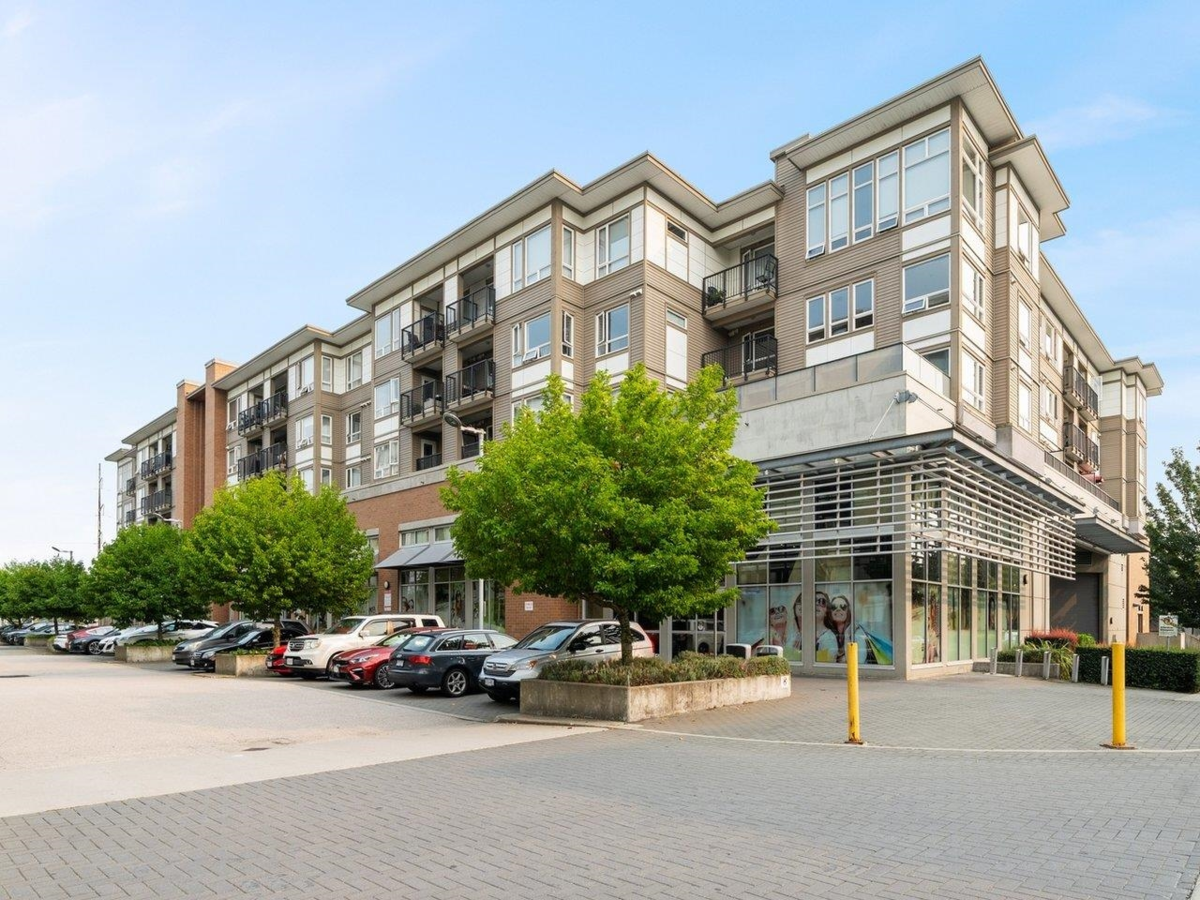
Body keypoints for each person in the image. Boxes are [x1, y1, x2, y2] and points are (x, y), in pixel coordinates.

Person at [815, 594, 851, 663]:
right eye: (834, 607)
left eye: (843, 607)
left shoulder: (854, 632)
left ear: (848, 612)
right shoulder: (831, 633)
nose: (838, 609)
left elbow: (857, 662)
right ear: (830, 612)